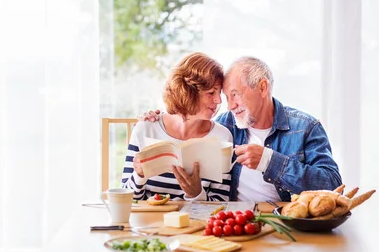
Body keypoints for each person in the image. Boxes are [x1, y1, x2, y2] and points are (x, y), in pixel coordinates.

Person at [142, 56, 342, 203]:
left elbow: (334, 186)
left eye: (235, 95)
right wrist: (153, 118)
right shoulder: (224, 125)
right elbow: (187, 121)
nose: (229, 106)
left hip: (283, 222)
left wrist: (269, 161)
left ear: (262, 88)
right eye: (226, 97)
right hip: (235, 224)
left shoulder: (305, 127)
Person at [121, 52, 233, 202]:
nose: (219, 100)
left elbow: (221, 203)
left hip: (197, 223)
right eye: (211, 92)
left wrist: (197, 194)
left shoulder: (222, 137)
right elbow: (126, 200)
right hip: (150, 223)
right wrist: (139, 175)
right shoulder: (146, 128)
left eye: (219, 93)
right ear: (188, 92)